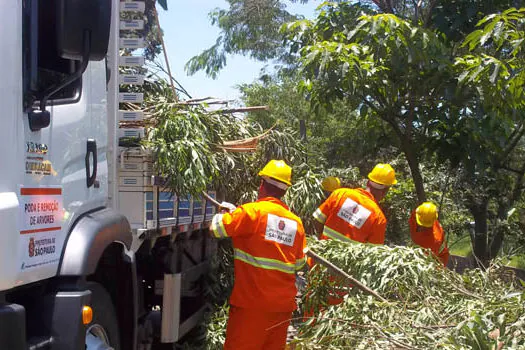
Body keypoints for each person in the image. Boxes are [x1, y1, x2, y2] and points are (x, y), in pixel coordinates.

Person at [211, 159, 307, 350]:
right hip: (282, 307)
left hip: (251, 306)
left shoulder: (251, 212)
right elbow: (299, 265)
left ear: (262, 185)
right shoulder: (295, 223)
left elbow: (216, 229)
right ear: (285, 191)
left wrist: (223, 213)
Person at [312, 163, 397, 244]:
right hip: (346, 259)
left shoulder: (340, 194)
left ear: (368, 182)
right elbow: (372, 252)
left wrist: (321, 241)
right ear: (385, 191)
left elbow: (317, 220)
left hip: (320, 255)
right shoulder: (378, 218)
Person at [409, 202, 450, 267]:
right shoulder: (419, 215)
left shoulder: (434, 239)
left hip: (433, 262)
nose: (421, 226)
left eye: (423, 226)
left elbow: (425, 261)